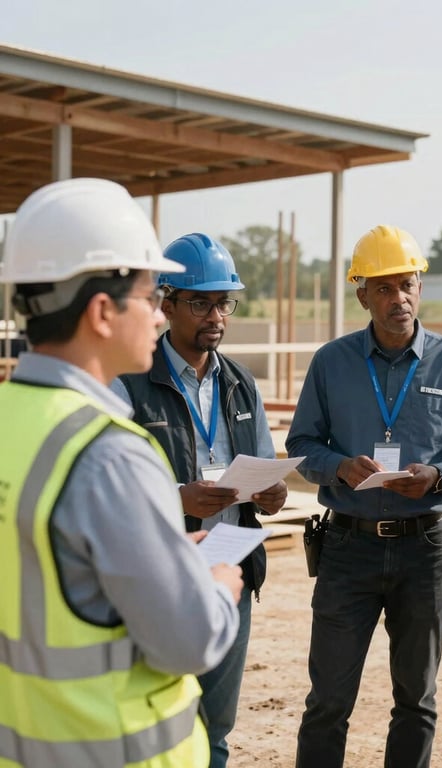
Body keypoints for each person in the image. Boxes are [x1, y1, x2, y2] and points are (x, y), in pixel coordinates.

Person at [0, 178, 243, 767]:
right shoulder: (110, 454)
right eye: (149, 297)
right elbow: (189, 640)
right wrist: (216, 585)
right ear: (102, 312)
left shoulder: (11, 417)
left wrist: (157, 555)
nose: (159, 316)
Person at [286, 224, 442, 768]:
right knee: (328, 701)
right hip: (346, 548)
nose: (398, 297)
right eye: (383, 288)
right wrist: (339, 467)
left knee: (416, 699)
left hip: (424, 549)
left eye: (406, 284)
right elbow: (301, 445)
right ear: (363, 296)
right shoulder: (331, 363)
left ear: (419, 287)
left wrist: (438, 475)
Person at [111, 232, 287, 768]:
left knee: (215, 727)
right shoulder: (129, 383)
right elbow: (113, 489)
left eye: (224, 303)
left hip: (229, 573)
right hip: (158, 576)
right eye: (200, 303)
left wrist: (273, 492)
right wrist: (179, 499)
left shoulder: (240, 383)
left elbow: (262, 460)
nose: (216, 316)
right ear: (166, 305)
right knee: (152, 724)